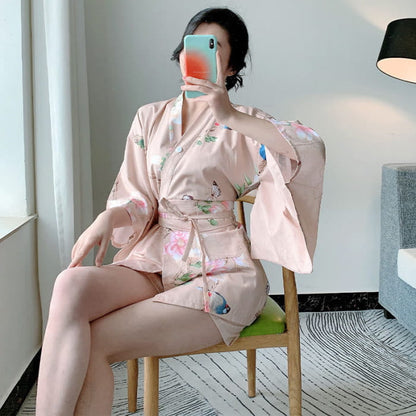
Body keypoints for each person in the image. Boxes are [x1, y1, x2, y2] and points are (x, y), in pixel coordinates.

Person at [35, 7, 325, 416]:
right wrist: (107, 218)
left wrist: (229, 115)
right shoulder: (150, 118)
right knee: (70, 285)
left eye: (214, 46)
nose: (199, 54)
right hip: (155, 260)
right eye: (194, 43)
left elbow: (308, 148)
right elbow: (138, 199)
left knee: (95, 341)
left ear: (232, 66)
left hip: (220, 273)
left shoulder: (245, 124)